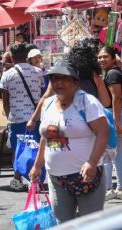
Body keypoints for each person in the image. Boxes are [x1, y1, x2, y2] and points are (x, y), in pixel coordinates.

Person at [29, 59, 108, 223]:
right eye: (54, 79)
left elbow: (102, 133)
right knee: (63, 225)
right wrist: (38, 165)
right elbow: (48, 137)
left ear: (75, 82)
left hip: (87, 178)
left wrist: (92, 162)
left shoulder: (87, 102)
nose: (59, 83)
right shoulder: (48, 104)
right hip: (57, 178)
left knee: (90, 225)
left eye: (64, 78)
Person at [27, 40, 111, 131]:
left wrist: (33, 119)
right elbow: (106, 102)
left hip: (63, 121)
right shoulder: (95, 77)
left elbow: (45, 97)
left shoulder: (59, 76)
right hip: (90, 124)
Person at [0, 43, 43, 191]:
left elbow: (5, 101)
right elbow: (43, 96)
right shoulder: (38, 72)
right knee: (35, 147)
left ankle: (17, 180)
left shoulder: (7, 75)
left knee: (18, 149)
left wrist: (8, 116)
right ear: (27, 56)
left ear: (11, 56)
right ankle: (35, 179)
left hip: (16, 118)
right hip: (36, 117)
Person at [99, 47, 122, 200]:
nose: (101, 59)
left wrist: (116, 120)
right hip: (115, 116)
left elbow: (117, 98)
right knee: (116, 153)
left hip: (116, 116)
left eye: (105, 56)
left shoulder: (113, 73)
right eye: (99, 57)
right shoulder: (112, 72)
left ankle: (115, 188)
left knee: (114, 152)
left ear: (114, 58)